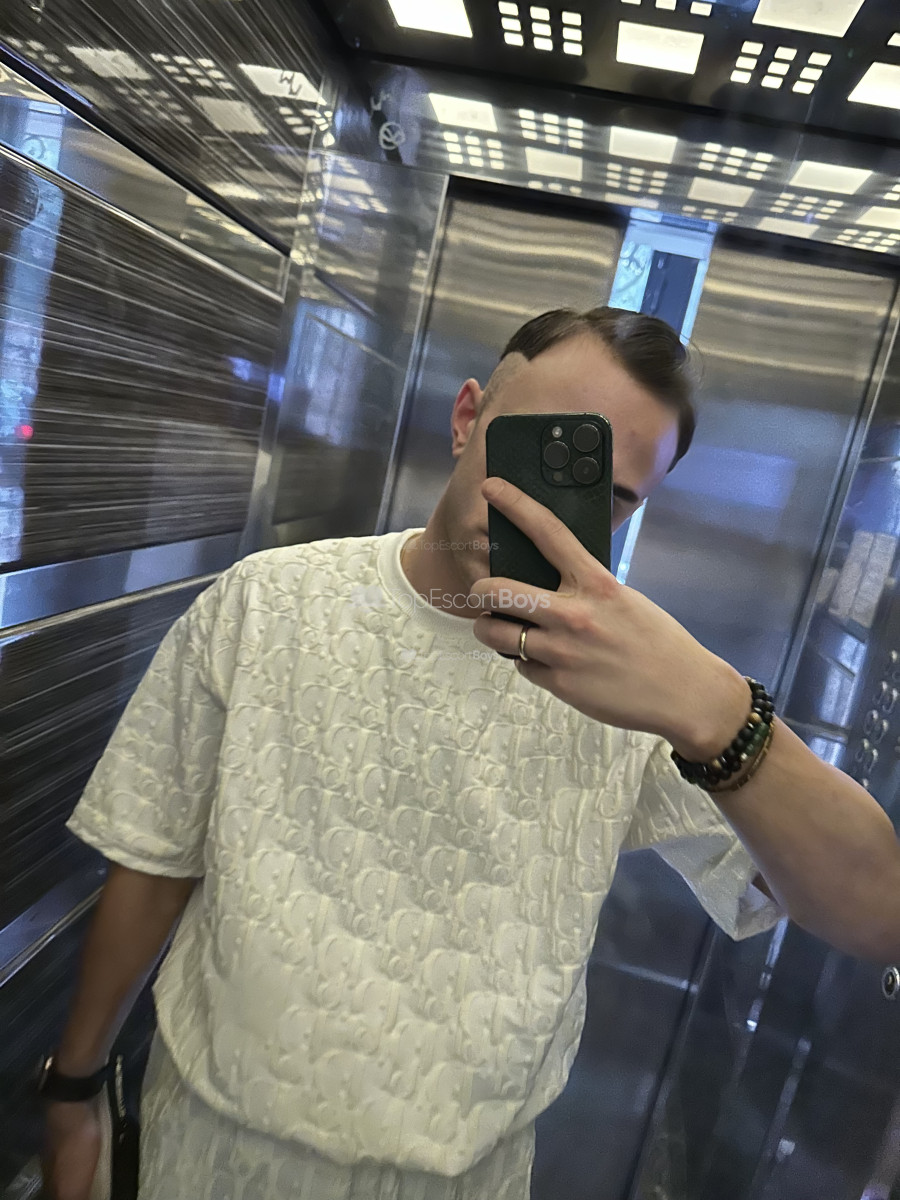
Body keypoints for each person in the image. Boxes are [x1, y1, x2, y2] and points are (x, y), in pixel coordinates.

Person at [41, 307, 900, 1200]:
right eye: (535, 451)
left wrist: (715, 711)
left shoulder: (642, 686)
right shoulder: (268, 603)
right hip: (211, 1147)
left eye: (605, 494)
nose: (543, 506)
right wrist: (72, 1088)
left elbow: (877, 910)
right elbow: (156, 858)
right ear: (466, 419)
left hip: (467, 1176)